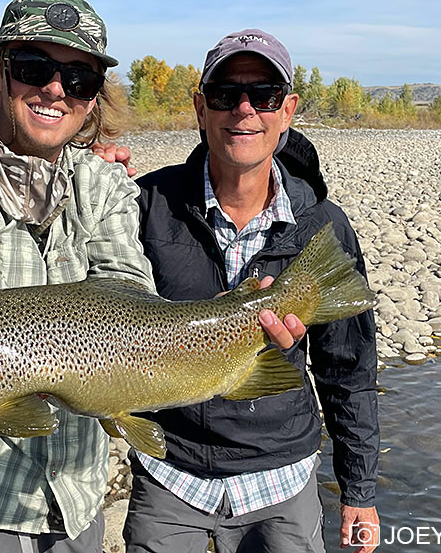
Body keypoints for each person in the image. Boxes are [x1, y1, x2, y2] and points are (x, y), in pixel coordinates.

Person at [0, 0, 301, 552]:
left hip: (74, 502)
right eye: (34, 69)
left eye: (78, 79)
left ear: (93, 97)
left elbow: (130, 295)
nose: (55, 89)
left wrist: (236, 332)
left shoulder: (100, 183)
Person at [127, 29, 380, 553]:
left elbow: (348, 371)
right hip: (169, 477)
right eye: (225, 95)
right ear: (201, 108)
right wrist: (86, 171)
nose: (244, 110)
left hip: (281, 480)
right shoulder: (142, 205)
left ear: (287, 110)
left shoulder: (321, 228)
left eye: (262, 95)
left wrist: (358, 490)